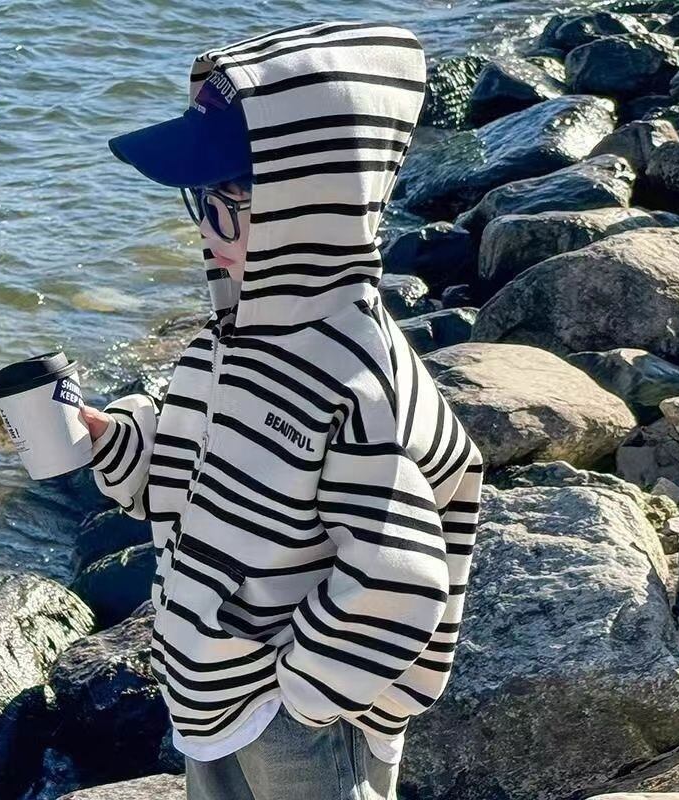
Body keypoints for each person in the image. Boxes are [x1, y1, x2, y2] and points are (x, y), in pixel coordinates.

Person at [80, 19, 484, 800]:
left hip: (293, 713)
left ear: (309, 205)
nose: (205, 223)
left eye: (227, 197)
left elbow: (400, 574)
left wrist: (302, 694)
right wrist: (121, 444)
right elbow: (201, 471)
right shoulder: (229, 341)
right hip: (209, 688)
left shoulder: (350, 373)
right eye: (200, 198)